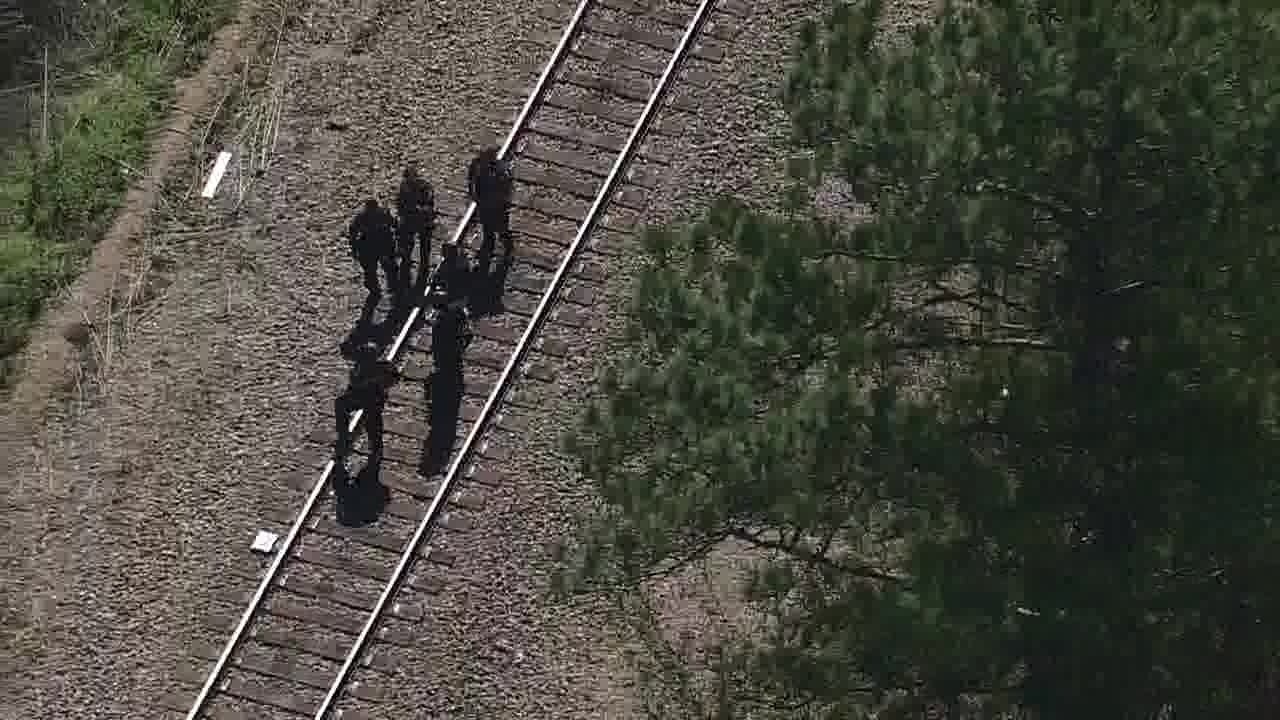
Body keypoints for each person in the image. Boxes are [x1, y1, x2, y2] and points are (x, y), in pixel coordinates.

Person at [333, 341, 397, 468]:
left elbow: (393, 378)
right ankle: (344, 435)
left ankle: (376, 448)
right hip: (359, 397)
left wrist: (377, 383)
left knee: (373, 423)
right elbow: (354, 384)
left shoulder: (382, 368)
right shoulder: (361, 367)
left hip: (372, 401)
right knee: (341, 404)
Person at [466, 146, 513, 273]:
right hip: (485, 205)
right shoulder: (477, 165)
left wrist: (504, 202)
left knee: (502, 230)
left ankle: (507, 250)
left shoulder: (499, 169)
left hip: (497, 206)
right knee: (488, 231)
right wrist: (474, 196)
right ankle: (487, 253)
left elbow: (506, 187)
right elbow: (471, 180)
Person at [348, 198, 398, 298]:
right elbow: (395, 224)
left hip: (371, 245)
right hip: (381, 243)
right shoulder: (382, 212)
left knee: (374, 270)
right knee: (386, 268)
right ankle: (389, 287)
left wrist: (354, 248)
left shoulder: (361, 216)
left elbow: (353, 231)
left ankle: (377, 290)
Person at [396, 163, 436, 288]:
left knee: (424, 245)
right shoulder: (404, 188)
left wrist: (417, 209)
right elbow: (400, 205)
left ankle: (424, 265)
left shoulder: (424, 186)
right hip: (410, 221)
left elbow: (429, 203)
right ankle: (406, 261)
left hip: (422, 221)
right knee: (407, 244)